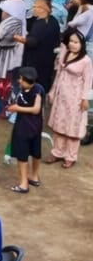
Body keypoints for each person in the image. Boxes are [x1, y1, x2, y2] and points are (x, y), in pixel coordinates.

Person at [48, 28, 90, 167]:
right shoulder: (65, 55)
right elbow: (59, 74)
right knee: (59, 124)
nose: (73, 44)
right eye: (71, 41)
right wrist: (53, 91)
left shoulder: (86, 61)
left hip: (75, 98)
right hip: (61, 95)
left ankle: (70, 156)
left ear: (82, 44)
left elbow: (88, 81)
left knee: (72, 128)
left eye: (76, 42)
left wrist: (84, 99)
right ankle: (57, 152)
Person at [8, 66, 45, 193]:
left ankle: (24, 183)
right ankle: (34, 177)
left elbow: (36, 109)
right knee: (35, 152)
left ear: (24, 79)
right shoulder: (38, 88)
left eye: (20, 78)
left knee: (22, 155)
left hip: (24, 127)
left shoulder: (36, 91)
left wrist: (17, 108)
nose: (19, 80)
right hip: (36, 127)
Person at [24, 0, 61, 94]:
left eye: (36, 7)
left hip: (37, 60)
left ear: (43, 9)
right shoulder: (53, 21)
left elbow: (32, 42)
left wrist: (20, 39)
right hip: (48, 59)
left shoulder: (42, 24)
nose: (34, 9)